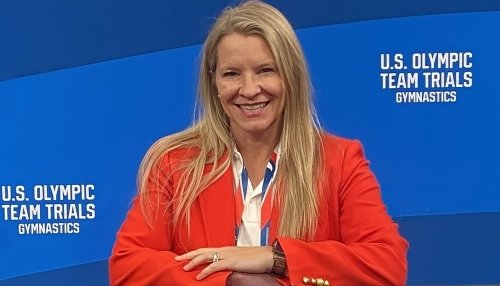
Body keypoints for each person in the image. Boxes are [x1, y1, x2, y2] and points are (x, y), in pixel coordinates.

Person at [109, 1, 408, 285]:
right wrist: (232, 280)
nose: (249, 89)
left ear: (290, 76)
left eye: (265, 70)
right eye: (232, 74)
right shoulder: (174, 163)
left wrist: (274, 258)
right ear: (214, 82)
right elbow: (127, 266)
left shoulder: (339, 161)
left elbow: (387, 265)